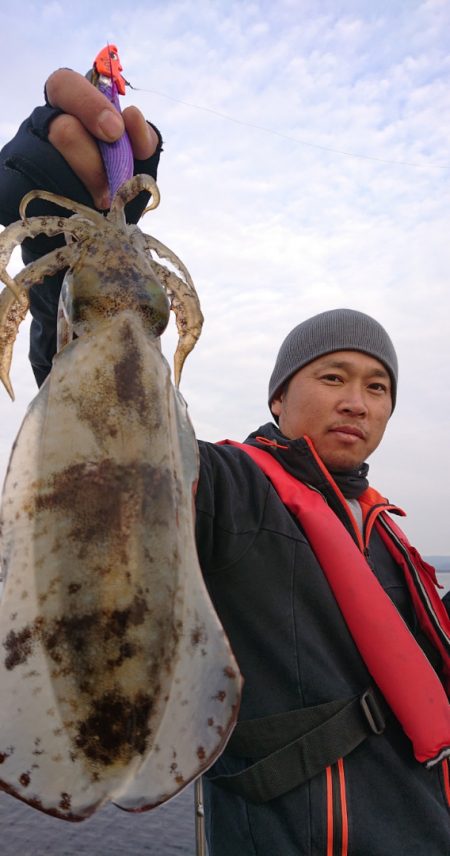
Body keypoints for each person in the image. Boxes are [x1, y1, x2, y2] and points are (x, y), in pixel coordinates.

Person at [0, 70, 449, 856]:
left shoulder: (394, 542)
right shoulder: (234, 491)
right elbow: (120, 454)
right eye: (332, 377)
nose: (357, 401)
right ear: (278, 400)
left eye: (377, 386)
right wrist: (64, 294)